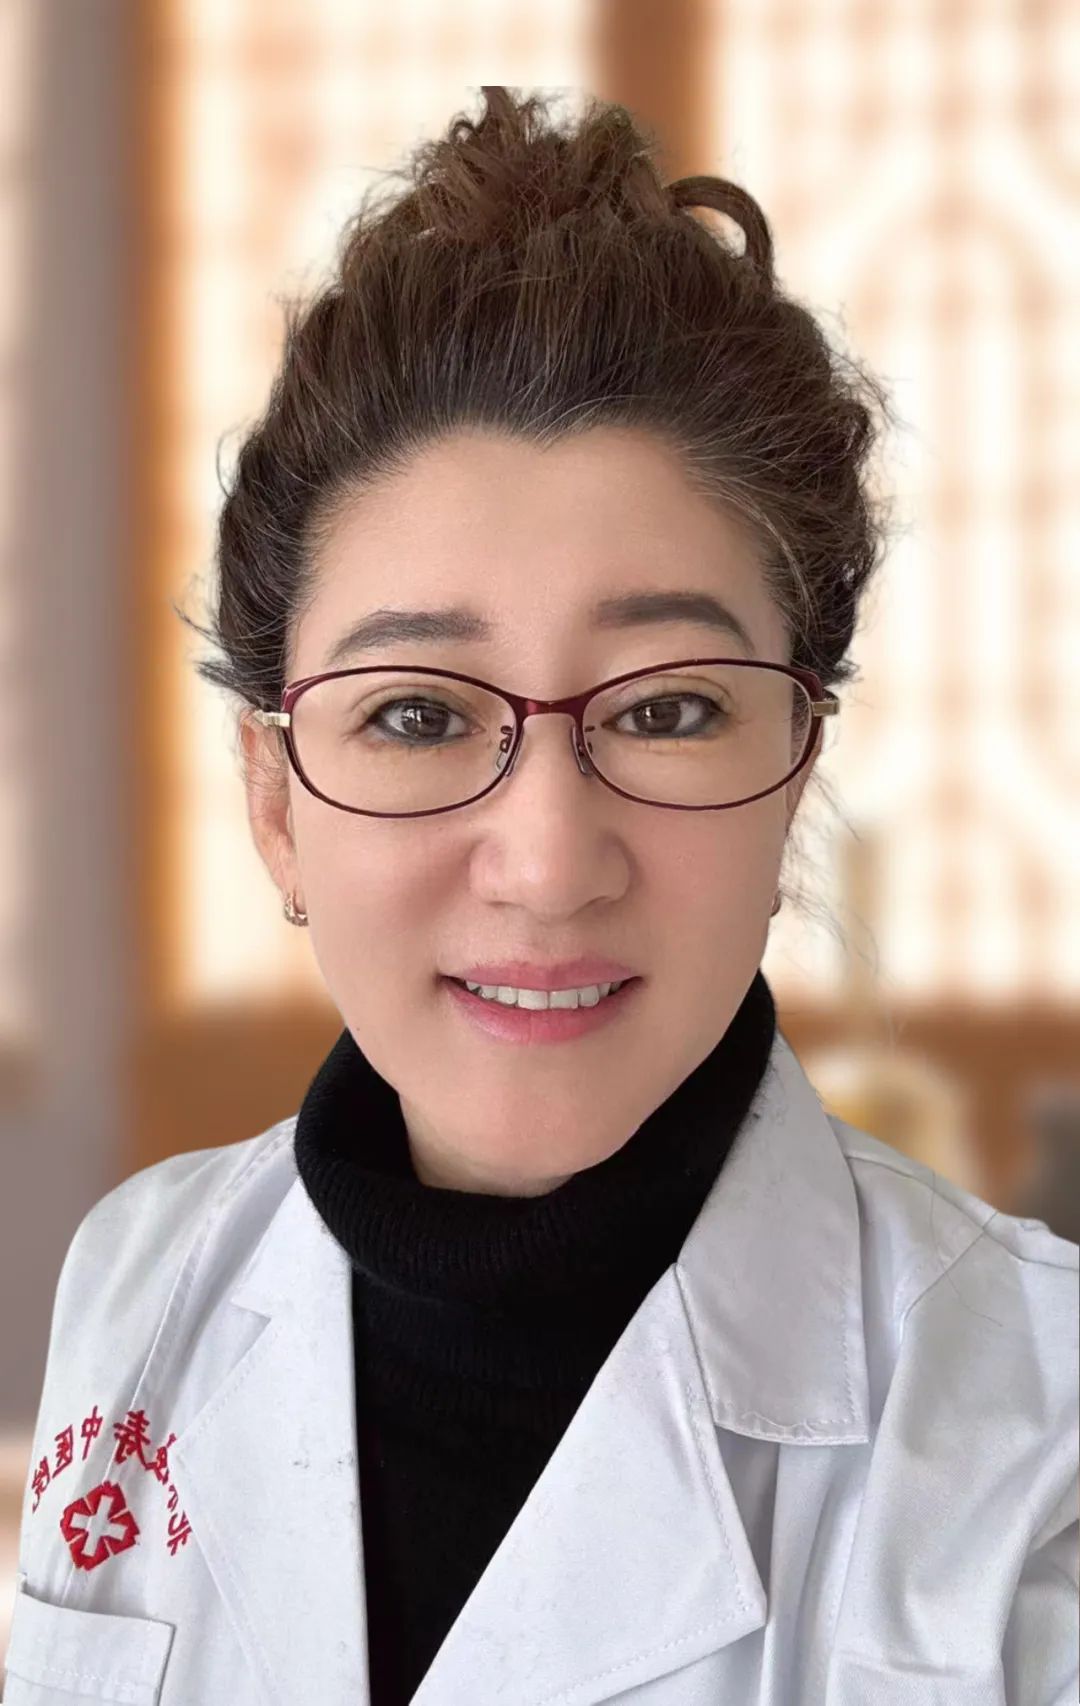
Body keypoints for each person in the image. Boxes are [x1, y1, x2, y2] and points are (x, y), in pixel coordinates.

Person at [6, 86, 1076, 1706]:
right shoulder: (140, 1277)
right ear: (275, 801)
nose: (550, 859)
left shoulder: (1039, 1433)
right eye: (416, 716)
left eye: (670, 707)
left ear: (794, 768)